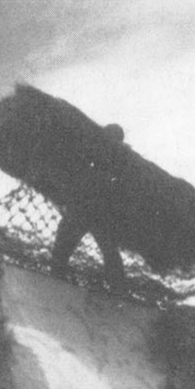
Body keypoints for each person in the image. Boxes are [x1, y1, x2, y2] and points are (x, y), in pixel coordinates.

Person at [49, 123, 130, 290]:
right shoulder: (109, 157)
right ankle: (119, 288)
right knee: (107, 251)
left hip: (90, 210)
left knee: (66, 248)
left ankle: (56, 278)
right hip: (91, 210)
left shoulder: (107, 158)